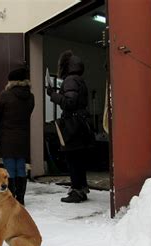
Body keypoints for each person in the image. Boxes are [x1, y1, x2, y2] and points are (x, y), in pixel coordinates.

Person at [47, 50, 91, 203]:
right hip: (80, 124)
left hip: (72, 125)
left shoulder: (70, 80)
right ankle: (81, 188)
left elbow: (69, 103)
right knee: (78, 158)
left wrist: (53, 95)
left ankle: (76, 190)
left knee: (72, 158)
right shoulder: (79, 79)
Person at [0, 68, 34, 205]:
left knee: (10, 169)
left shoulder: (5, 95)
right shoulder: (30, 97)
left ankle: (10, 198)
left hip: (7, 138)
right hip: (23, 137)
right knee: (21, 168)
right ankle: (21, 198)